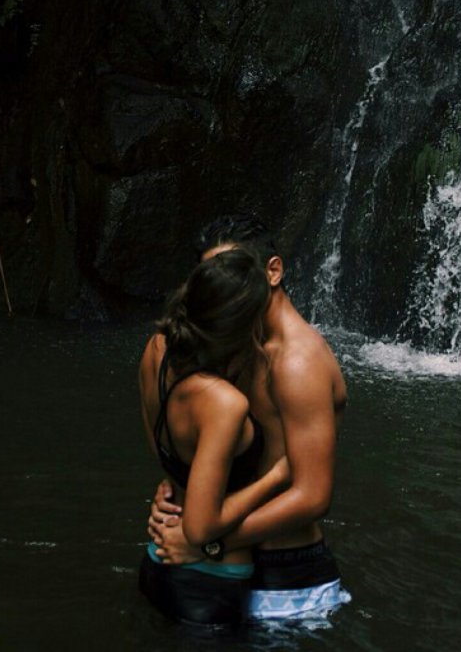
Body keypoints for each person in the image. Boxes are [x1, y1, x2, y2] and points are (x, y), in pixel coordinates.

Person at [148, 213, 350, 620]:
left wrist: (207, 542)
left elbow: (313, 495)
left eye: (236, 273)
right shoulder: (233, 343)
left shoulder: (297, 362)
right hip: (226, 568)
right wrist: (177, 488)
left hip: (285, 582)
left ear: (272, 272)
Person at [138, 246, 290, 629]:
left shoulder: (156, 349)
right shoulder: (224, 403)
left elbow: (162, 450)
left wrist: (171, 485)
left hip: (156, 560)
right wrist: (276, 477)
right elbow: (201, 529)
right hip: (209, 587)